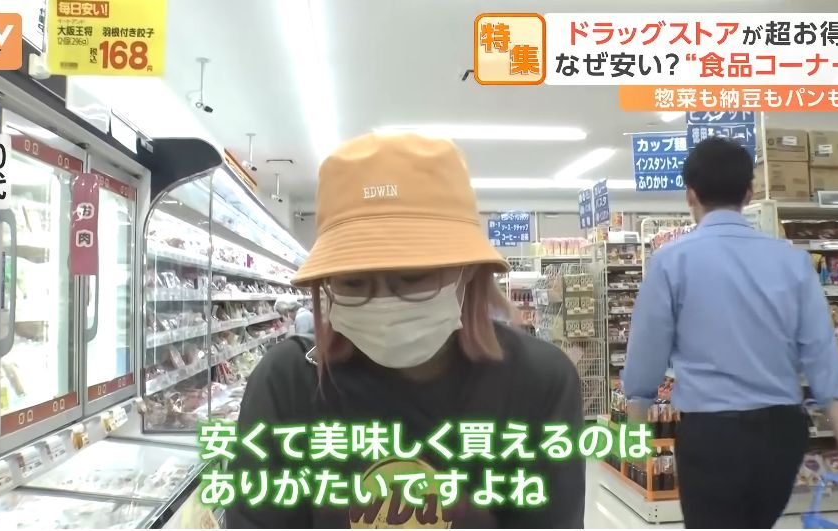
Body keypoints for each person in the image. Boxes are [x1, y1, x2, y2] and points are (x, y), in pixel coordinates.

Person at [227, 133, 586, 528]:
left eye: (413, 277)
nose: (383, 301)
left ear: (468, 271)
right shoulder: (288, 383)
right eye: (353, 282)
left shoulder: (538, 382)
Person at [622, 136, 838, 528]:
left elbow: (644, 365)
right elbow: (827, 371)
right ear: (749, 193)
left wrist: (633, 437)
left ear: (690, 194)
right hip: (781, 436)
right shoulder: (793, 263)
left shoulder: (669, 263)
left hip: (710, 435)